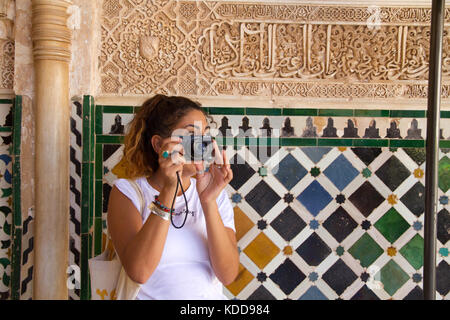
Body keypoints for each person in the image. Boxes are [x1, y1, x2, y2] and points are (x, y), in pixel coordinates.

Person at [107, 94, 239, 300]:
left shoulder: (216, 196)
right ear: (159, 145)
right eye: (191, 135)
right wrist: (169, 189)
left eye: (205, 134)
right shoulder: (128, 192)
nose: (202, 144)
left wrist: (208, 201)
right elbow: (139, 272)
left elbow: (228, 274)